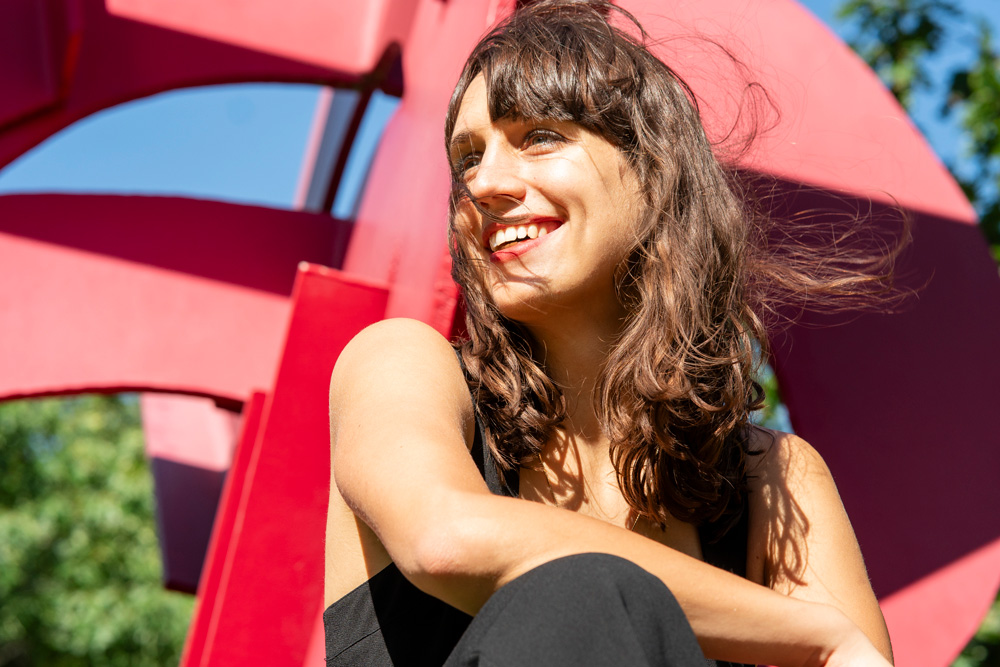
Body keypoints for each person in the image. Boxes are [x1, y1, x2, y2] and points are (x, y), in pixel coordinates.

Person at [324, 1, 899, 665]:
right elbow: (444, 536)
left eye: (538, 136)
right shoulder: (399, 366)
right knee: (585, 590)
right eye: (467, 159)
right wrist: (815, 632)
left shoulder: (772, 479)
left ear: (653, 177)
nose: (484, 183)